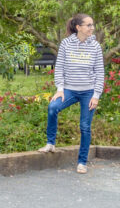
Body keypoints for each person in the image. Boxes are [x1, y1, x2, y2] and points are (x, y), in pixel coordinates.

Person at [38, 14, 104, 174]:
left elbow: (100, 72)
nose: (92, 28)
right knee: (53, 107)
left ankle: (82, 162)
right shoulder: (66, 44)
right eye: (88, 25)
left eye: (92, 25)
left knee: (85, 126)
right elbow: (59, 67)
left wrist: (96, 95)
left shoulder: (95, 46)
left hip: (88, 92)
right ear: (78, 27)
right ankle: (51, 143)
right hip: (69, 89)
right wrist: (60, 89)